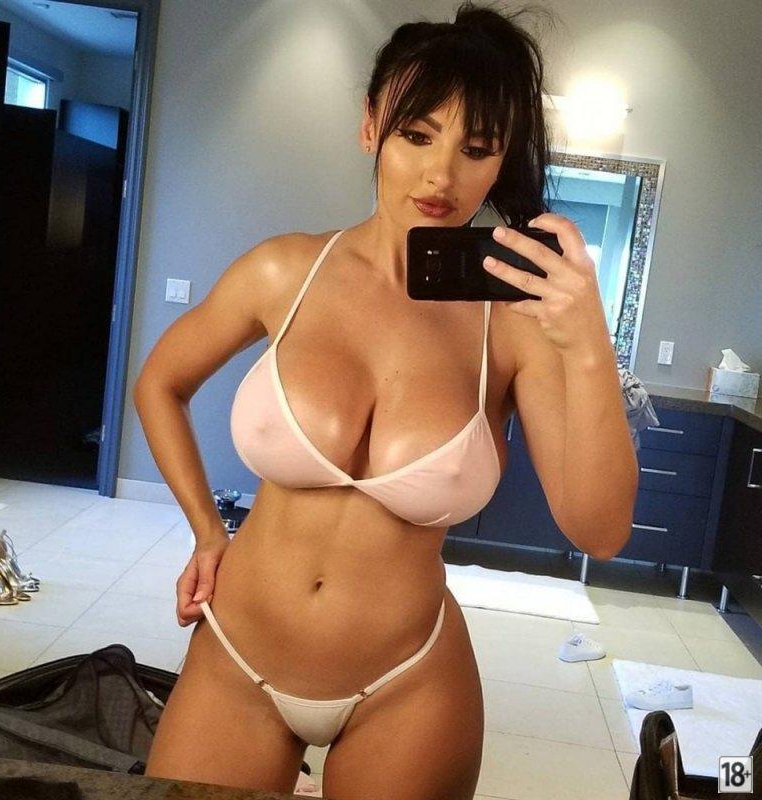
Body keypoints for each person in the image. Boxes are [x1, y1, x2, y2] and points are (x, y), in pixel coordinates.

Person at [133, 2, 638, 798]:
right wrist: (205, 531)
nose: (442, 176)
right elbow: (159, 383)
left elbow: (599, 531)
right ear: (371, 126)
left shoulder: (513, 327)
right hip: (237, 655)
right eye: (417, 135)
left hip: (407, 682)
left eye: (477, 149)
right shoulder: (284, 271)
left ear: (500, 163)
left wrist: (589, 342)